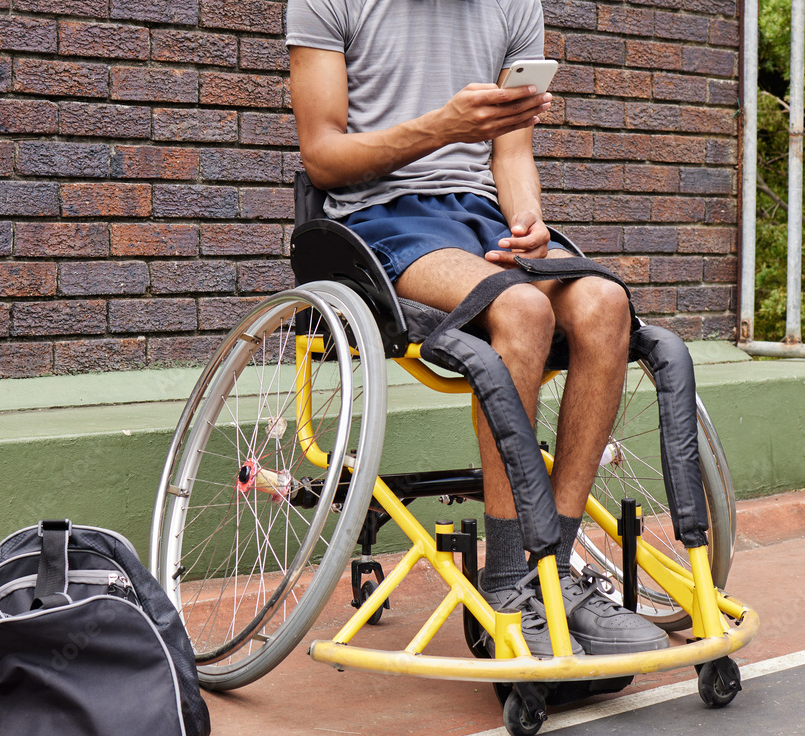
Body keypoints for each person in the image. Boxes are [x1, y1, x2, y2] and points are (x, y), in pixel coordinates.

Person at [286, 0, 669, 657]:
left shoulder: (515, 7)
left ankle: (558, 568)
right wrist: (442, 125)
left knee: (604, 304)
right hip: (378, 218)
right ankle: (509, 584)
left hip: (480, 218)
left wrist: (527, 219)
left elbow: (511, 154)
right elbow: (323, 158)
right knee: (521, 309)